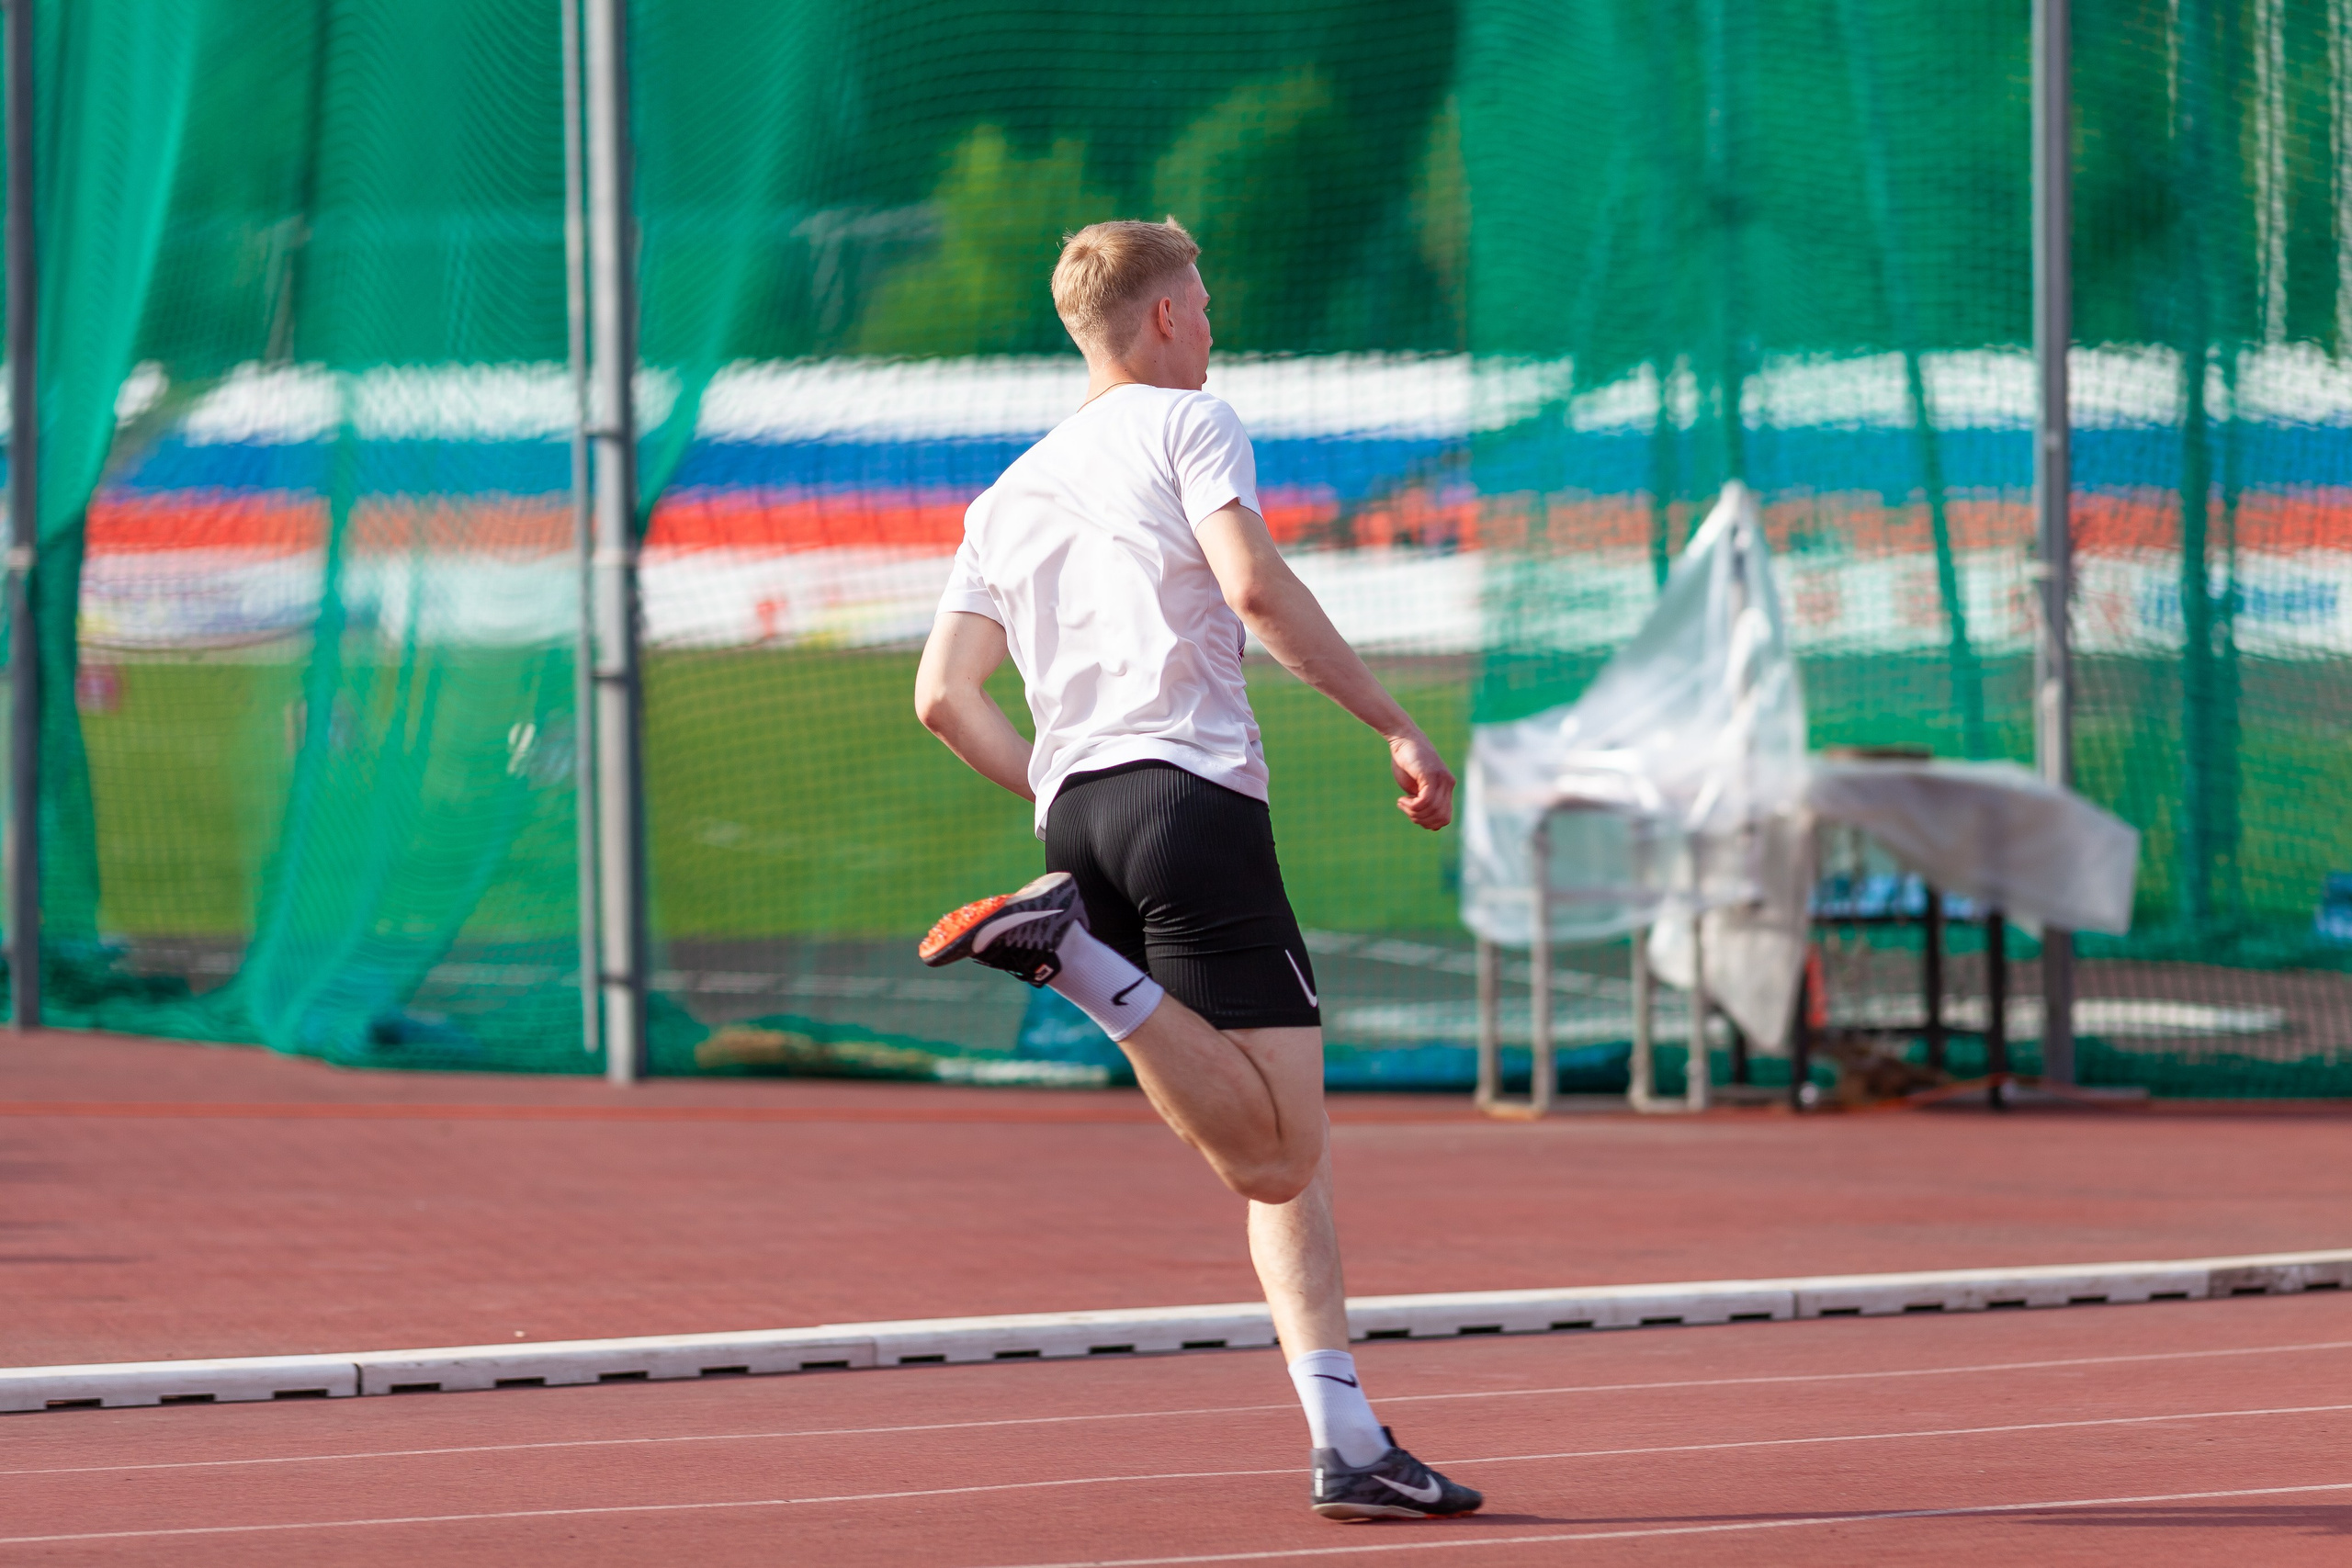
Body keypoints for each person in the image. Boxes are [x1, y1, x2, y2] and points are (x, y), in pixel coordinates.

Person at [910, 218, 1481, 1522]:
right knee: (1278, 1158)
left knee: (1283, 1138)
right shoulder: (1191, 422)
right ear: (1163, 318)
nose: (1214, 330)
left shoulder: (1009, 493)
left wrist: (1054, 782)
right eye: (1205, 307)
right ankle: (1076, 964)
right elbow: (1257, 590)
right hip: (1191, 803)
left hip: (1080, 822)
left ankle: (1347, 1440)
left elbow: (944, 697)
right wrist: (1395, 722)